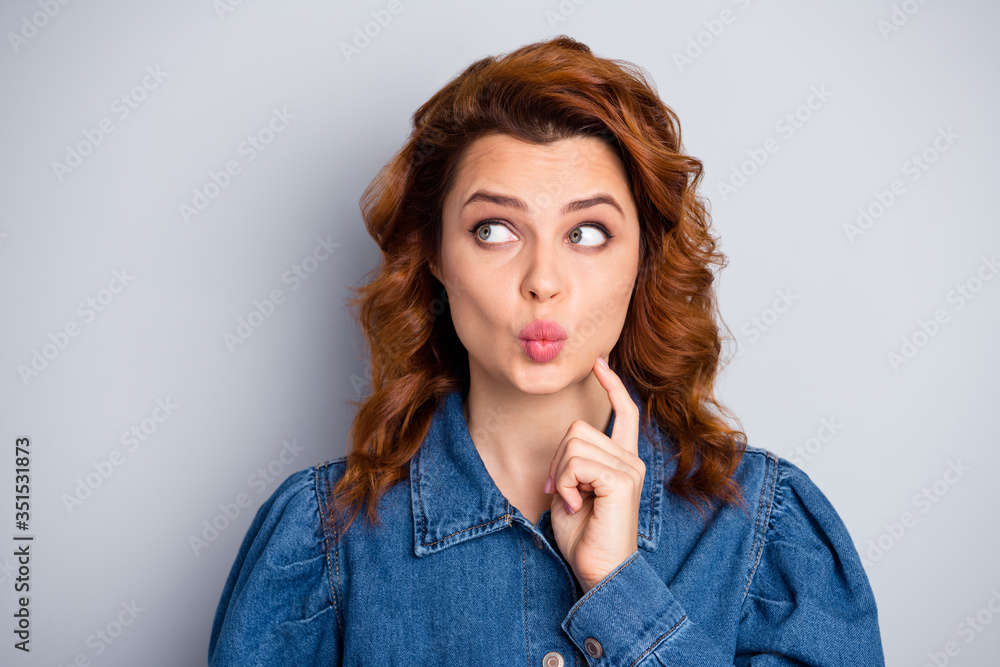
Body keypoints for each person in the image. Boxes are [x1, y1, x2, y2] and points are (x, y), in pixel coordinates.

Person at [208, 35, 885, 665]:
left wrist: (622, 591)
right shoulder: (321, 542)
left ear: (643, 257)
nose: (543, 281)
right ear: (436, 255)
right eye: (494, 229)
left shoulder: (765, 531)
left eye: (587, 233)